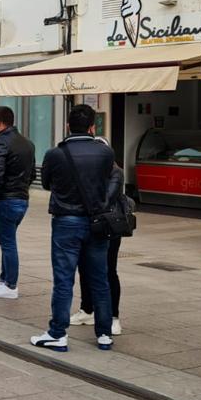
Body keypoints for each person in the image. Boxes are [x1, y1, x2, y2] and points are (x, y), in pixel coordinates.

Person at [30, 104, 121, 352]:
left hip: (66, 221)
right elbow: (115, 177)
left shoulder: (54, 154)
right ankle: (104, 334)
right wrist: (105, 201)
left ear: (68, 126)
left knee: (63, 279)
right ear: (92, 127)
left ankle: (57, 333)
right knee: (99, 278)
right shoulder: (105, 153)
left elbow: (47, 183)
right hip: (96, 222)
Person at [73, 142, 129, 335]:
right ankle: (87, 309)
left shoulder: (115, 172)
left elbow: (108, 198)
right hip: (87, 223)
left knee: (108, 270)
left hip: (108, 226)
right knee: (84, 268)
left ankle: (114, 317)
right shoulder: (87, 170)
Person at [0, 106, 36, 300]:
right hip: (22, 199)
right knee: (8, 241)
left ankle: (11, 285)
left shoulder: (0, 144)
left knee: (7, 244)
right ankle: (3, 279)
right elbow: (32, 174)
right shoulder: (28, 143)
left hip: (4, 200)